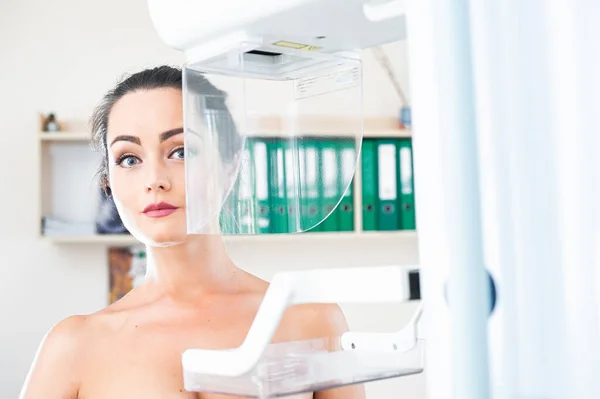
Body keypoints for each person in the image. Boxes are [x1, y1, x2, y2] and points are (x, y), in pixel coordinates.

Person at [19, 65, 366, 399]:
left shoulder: (313, 321)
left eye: (181, 151)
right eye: (129, 159)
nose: (155, 179)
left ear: (230, 165)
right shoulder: (73, 346)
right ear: (108, 182)